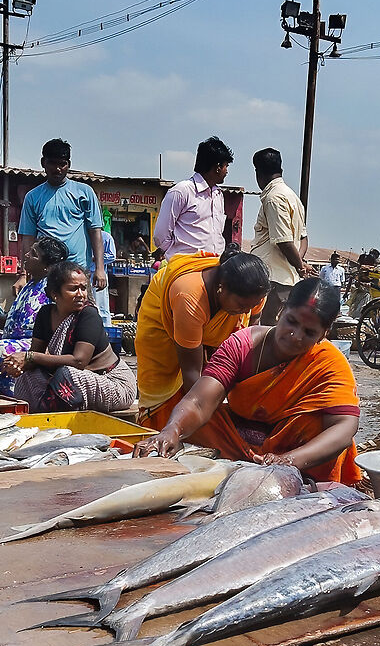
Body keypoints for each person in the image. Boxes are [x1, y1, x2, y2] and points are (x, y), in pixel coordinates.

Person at [141, 278, 360, 483]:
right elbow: (199, 402)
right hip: (239, 437)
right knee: (182, 414)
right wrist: (173, 429)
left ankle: (307, 485)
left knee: (328, 435)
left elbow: (344, 425)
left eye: (309, 332)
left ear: (323, 334)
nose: (295, 336)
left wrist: (289, 461)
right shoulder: (243, 345)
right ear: (281, 311)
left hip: (293, 447)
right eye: (291, 322)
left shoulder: (330, 363)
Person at [135, 249, 268, 429]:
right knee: (166, 403)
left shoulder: (255, 292)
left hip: (196, 321)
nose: (246, 311)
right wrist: (209, 419)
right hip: (164, 331)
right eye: (241, 305)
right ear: (221, 287)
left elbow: (249, 339)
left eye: (251, 306)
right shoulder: (189, 296)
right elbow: (191, 374)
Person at [8, 260, 137, 414]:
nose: (81, 294)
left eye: (83, 288)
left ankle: (48, 418)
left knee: (67, 375)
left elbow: (79, 361)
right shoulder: (45, 314)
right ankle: (36, 413)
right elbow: (36, 356)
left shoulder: (88, 314)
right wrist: (16, 364)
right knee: (28, 376)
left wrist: (29, 357)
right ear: (55, 293)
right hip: (75, 378)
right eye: (73, 289)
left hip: (112, 382)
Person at [18, 139, 105, 307]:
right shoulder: (32, 197)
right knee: (45, 316)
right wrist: (23, 274)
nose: (57, 169)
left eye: (62, 164)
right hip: (46, 273)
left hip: (78, 271)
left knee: (83, 316)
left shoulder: (85, 192)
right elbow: (28, 238)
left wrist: (100, 269)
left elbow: (95, 232)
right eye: (52, 163)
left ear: (68, 165)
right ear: (43, 163)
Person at [0, 235, 64, 395]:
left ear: (46, 267)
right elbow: (11, 325)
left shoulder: (51, 290)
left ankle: (10, 394)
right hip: (16, 339)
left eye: (34, 254)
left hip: (39, 346)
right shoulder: (28, 286)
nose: (27, 255)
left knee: (2, 348)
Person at [247, 146, 307, 322]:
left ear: (258, 173)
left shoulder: (274, 198)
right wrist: (299, 263)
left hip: (273, 279)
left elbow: (284, 241)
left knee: (266, 330)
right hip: (285, 278)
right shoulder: (292, 197)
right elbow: (303, 239)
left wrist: (299, 266)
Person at [153, 136, 231, 257]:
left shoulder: (218, 195)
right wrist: (176, 253)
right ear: (218, 167)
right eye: (226, 166)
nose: (227, 171)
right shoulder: (181, 191)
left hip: (215, 263)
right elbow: (160, 236)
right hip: (187, 264)